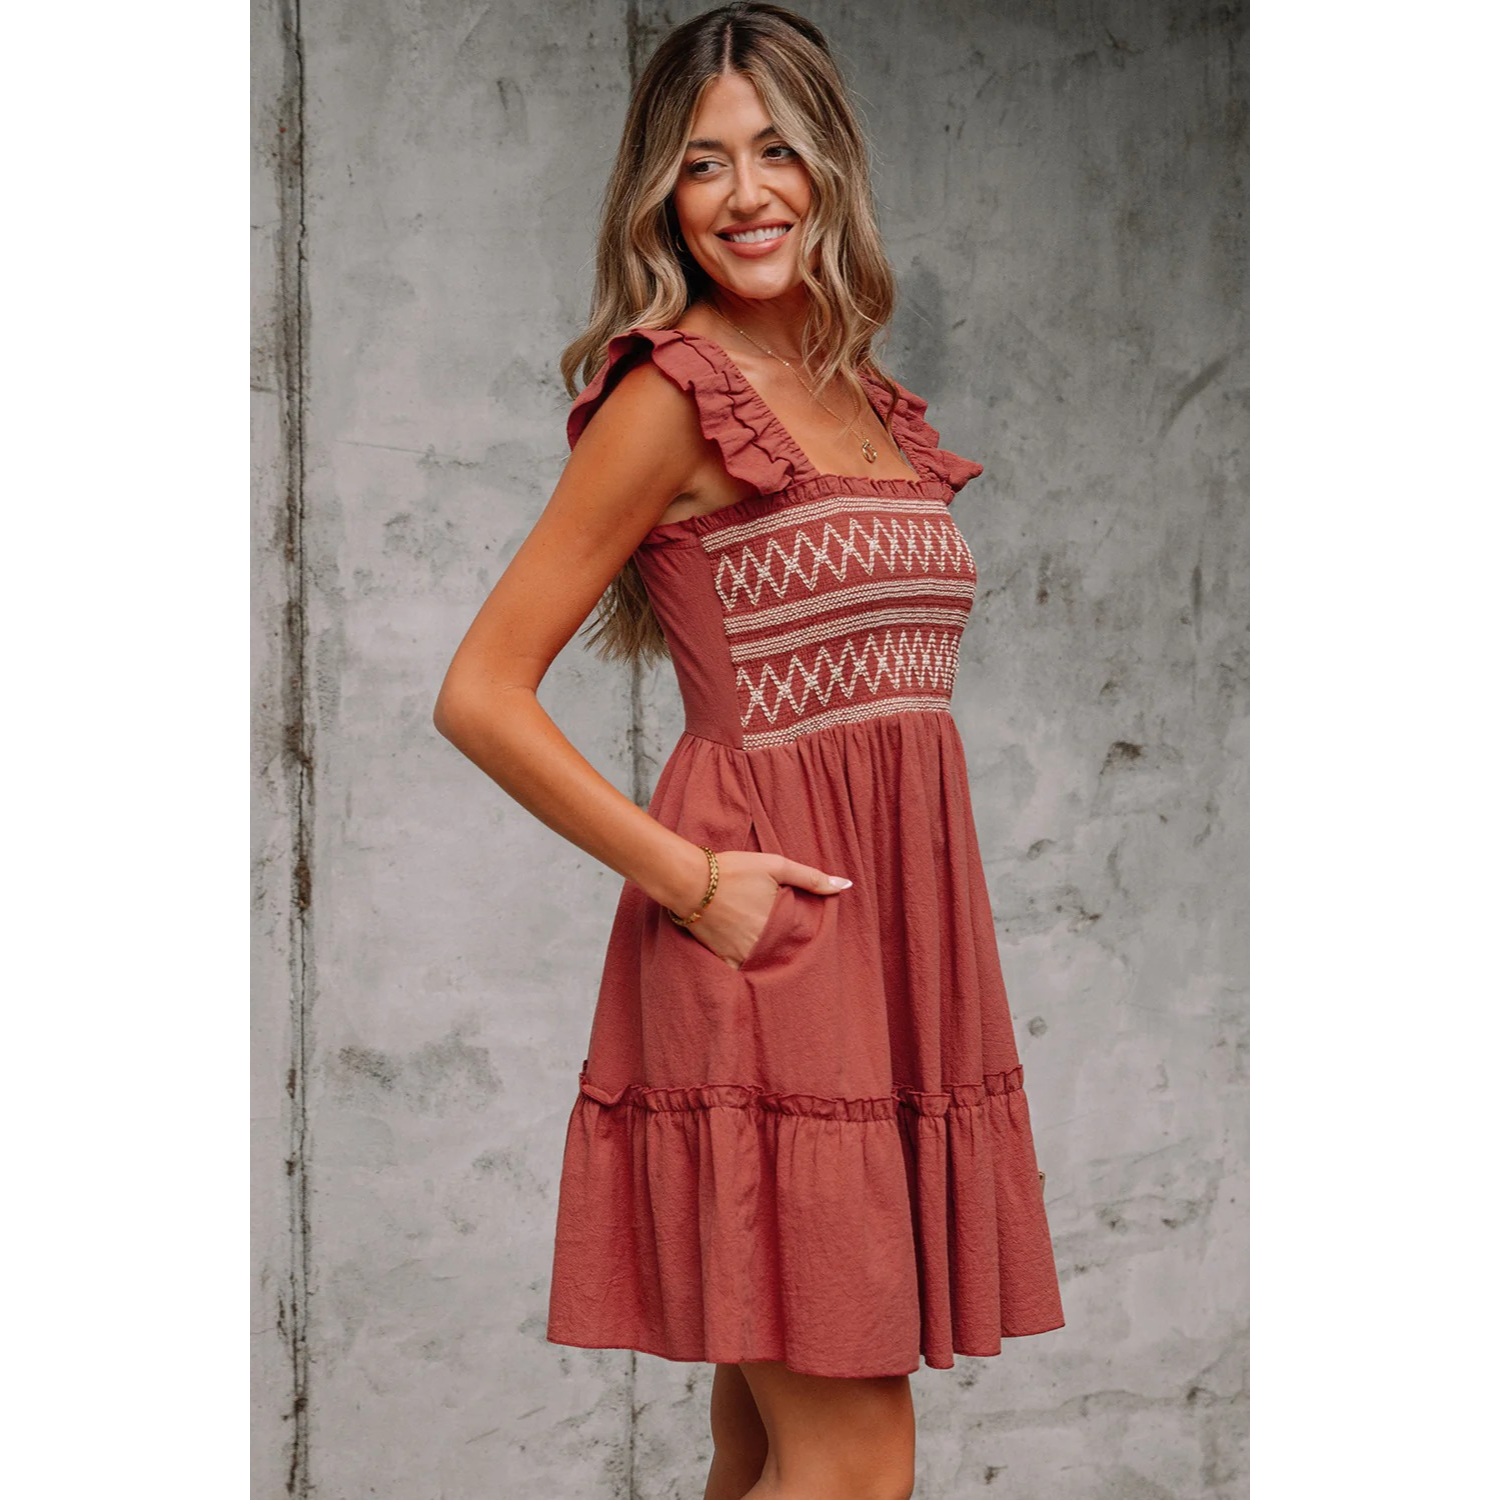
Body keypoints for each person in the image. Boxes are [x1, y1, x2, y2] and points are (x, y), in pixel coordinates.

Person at [433, 5, 1065, 1496]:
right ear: (661, 195)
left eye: (775, 150)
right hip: (768, 956)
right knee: (851, 1465)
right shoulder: (670, 395)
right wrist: (699, 884)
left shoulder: (862, 395)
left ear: (831, 165)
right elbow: (481, 692)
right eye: (703, 163)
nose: (745, 193)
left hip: (895, 955)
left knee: (762, 1452)